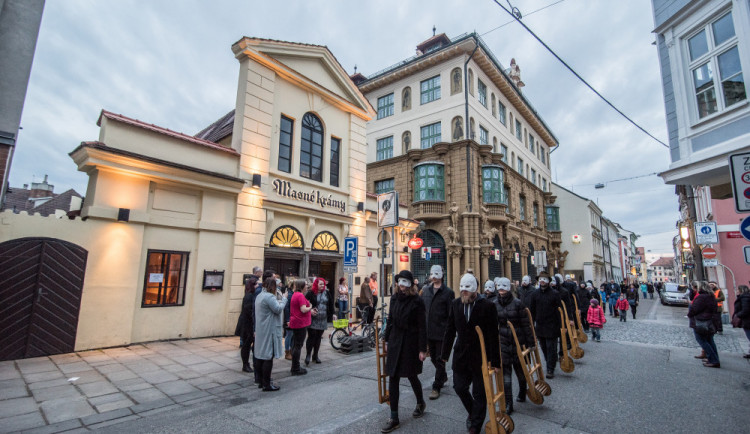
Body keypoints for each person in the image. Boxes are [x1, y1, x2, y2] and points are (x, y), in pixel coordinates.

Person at [442, 273, 501, 434]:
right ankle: (474, 413)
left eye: (467, 288)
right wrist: (444, 354)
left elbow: (493, 335)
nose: (463, 291)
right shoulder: (455, 304)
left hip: (480, 357)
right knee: (459, 387)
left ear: (475, 289)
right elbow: (450, 329)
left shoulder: (488, 306)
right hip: (461, 356)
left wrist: (495, 362)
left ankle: (475, 425)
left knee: (480, 393)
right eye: (461, 288)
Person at [381, 270, 427, 433]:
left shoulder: (417, 301)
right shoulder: (394, 298)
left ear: (410, 285)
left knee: (411, 375)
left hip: (410, 342)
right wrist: (385, 340)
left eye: (405, 283)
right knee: (393, 376)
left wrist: (423, 348)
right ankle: (394, 417)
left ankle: (420, 402)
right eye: (400, 282)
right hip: (395, 341)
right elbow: (390, 320)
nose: (402, 286)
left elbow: (422, 326)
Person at [494, 277, 533, 415]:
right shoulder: (494, 304)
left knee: (521, 372)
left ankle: (523, 391)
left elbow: (525, 324)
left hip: (517, 342)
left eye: (504, 287)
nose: (502, 289)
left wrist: (530, 343)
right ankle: (509, 403)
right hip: (503, 343)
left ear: (508, 288)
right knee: (506, 377)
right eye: (499, 287)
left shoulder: (518, 304)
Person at [420, 265, 454, 400]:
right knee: (433, 357)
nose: (434, 276)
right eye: (432, 273)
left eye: (436, 273)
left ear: (442, 274)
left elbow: (451, 314)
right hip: (429, 331)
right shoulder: (426, 290)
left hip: (442, 331)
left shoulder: (448, 292)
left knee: (440, 359)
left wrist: (450, 330)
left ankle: (436, 386)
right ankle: (443, 376)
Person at [254, 277, 288, 391]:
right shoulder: (269, 297)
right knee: (268, 356)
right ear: (273, 286)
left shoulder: (260, 296)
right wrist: (284, 299)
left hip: (261, 329)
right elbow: (278, 309)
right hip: (269, 330)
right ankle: (267, 384)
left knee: (260, 355)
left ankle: (261, 381)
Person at [526, 271, 561, 379]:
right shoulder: (535, 294)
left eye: (544, 279)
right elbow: (532, 309)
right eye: (540, 279)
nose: (542, 281)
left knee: (551, 347)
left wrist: (561, 325)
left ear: (548, 281)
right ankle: (549, 361)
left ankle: (550, 368)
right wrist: (530, 323)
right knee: (544, 347)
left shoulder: (555, 294)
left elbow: (559, 310)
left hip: (552, 324)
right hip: (540, 325)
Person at [687, 281, 720, 368]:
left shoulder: (702, 297)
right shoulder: (711, 296)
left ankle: (713, 360)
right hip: (709, 321)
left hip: (702, 321)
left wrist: (689, 314)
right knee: (709, 340)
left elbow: (694, 309)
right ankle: (713, 358)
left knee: (702, 340)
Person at [289, 279, 312, 375]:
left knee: (295, 345)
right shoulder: (300, 295)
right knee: (298, 346)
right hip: (300, 323)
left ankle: (294, 366)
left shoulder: (295, 294)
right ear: (302, 286)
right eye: (306, 285)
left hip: (296, 322)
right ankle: (296, 368)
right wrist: (310, 307)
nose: (307, 286)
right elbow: (303, 309)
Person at [305, 277, 328, 366]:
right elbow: (305, 303)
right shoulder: (310, 293)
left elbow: (330, 304)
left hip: (323, 318)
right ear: (316, 284)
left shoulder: (326, 293)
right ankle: (308, 355)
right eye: (320, 284)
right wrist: (310, 311)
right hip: (313, 318)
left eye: (323, 284)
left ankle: (315, 355)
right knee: (311, 337)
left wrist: (333, 314)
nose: (322, 286)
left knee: (318, 337)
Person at [239, 275, 258, 372]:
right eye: (256, 284)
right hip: (247, 324)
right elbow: (248, 311)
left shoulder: (251, 295)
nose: (258, 286)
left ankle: (248, 364)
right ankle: (245, 364)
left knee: (248, 344)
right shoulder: (249, 296)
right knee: (246, 345)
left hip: (249, 323)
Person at [733, 285, 750, 358]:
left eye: (738, 290)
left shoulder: (745, 298)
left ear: (741, 291)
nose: (737, 291)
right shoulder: (744, 297)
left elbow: (745, 310)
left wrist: (738, 315)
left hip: (747, 321)